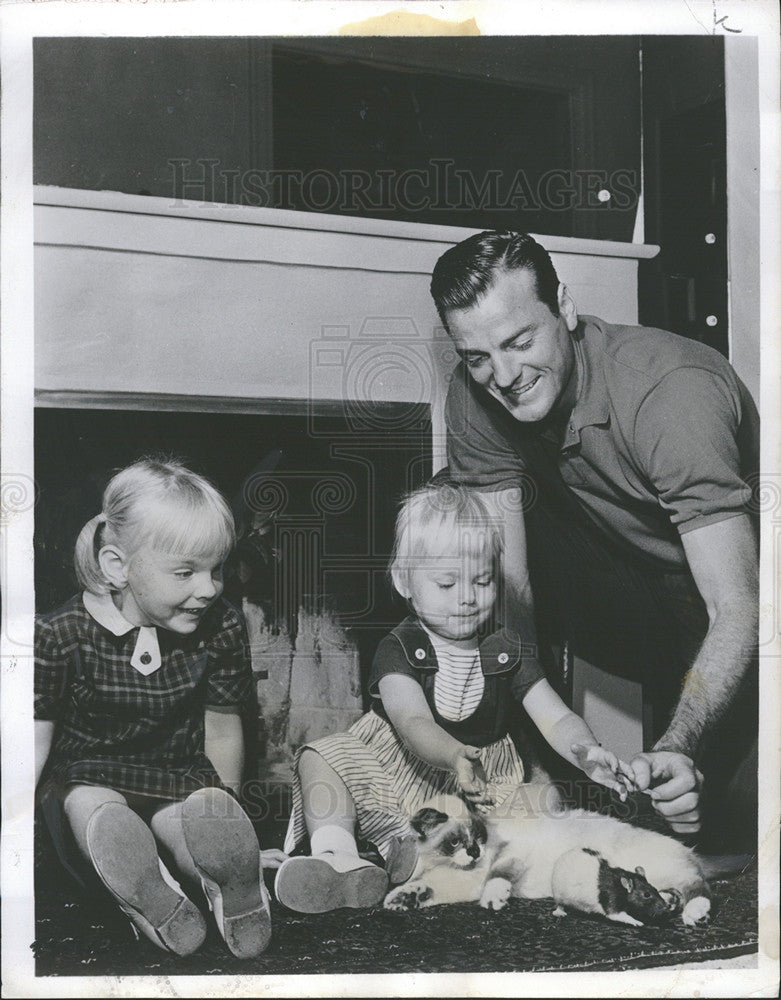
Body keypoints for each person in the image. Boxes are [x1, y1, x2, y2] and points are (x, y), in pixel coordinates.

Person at [429, 230, 759, 847]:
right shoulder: (475, 396)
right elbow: (513, 593)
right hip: (624, 577)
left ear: (567, 308)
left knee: (734, 823)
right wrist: (549, 736)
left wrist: (678, 743)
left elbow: (738, 605)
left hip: (738, 604)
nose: (502, 375)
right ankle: (521, 784)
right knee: (462, 533)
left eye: (519, 341)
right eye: (477, 356)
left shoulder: (670, 392)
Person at [274, 483, 635, 914]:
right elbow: (412, 723)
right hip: (398, 771)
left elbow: (555, 717)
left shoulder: (506, 650)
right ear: (404, 581)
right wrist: (452, 755)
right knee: (321, 756)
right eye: (447, 583)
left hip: (479, 791)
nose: (467, 597)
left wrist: (587, 751)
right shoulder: (400, 647)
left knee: (545, 797)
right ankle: (336, 858)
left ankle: (418, 861)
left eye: (481, 581)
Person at [35, 458, 284, 959]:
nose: (209, 588)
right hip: (89, 774)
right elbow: (33, 741)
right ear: (117, 566)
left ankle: (230, 887)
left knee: (194, 817)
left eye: (217, 570)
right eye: (186, 572)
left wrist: (227, 808)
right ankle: (154, 899)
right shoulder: (61, 634)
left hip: (176, 773)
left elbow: (222, 728)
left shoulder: (222, 626)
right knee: (93, 808)